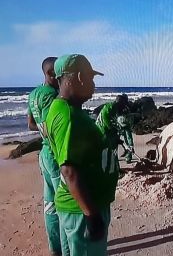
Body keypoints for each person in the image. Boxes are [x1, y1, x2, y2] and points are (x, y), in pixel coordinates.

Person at [46, 54, 119, 256]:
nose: (93, 84)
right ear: (78, 77)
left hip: (77, 207)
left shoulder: (67, 109)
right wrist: (91, 215)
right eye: (91, 78)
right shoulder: (69, 116)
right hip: (82, 210)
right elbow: (69, 170)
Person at [27, 57, 62, 256]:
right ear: (51, 74)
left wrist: (42, 129)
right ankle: (66, 247)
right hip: (54, 153)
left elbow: (31, 124)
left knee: (49, 203)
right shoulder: (51, 95)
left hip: (44, 155)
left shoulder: (33, 94)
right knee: (64, 202)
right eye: (60, 74)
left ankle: (54, 248)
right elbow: (56, 126)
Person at [96, 94, 134, 163]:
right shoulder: (108, 109)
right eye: (123, 105)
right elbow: (108, 126)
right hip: (103, 131)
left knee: (114, 147)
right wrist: (117, 137)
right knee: (108, 150)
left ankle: (116, 165)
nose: (124, 107)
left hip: (112, 129)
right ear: (119, 103)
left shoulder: (116, 108)